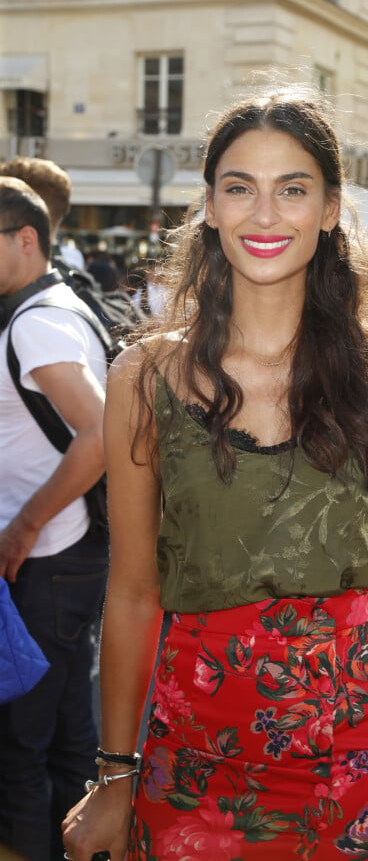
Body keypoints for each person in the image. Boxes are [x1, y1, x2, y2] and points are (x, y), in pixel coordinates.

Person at [62, 85, 368, 861]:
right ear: (209, 206)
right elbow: (134, 592)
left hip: (357, 763)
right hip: (191, 764)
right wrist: (115, 777)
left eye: (294, 189)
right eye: (240, 188)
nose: (265, 214)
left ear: (332, 208)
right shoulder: (144, 376)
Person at [0, 178, 109, 859]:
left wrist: (25, 525)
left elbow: (98, 434)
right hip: (69, 557)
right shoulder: (61, 303)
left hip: (46, 562)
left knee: (19, 755)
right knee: (70, 745)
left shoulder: (36, 321)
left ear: (25, 239)